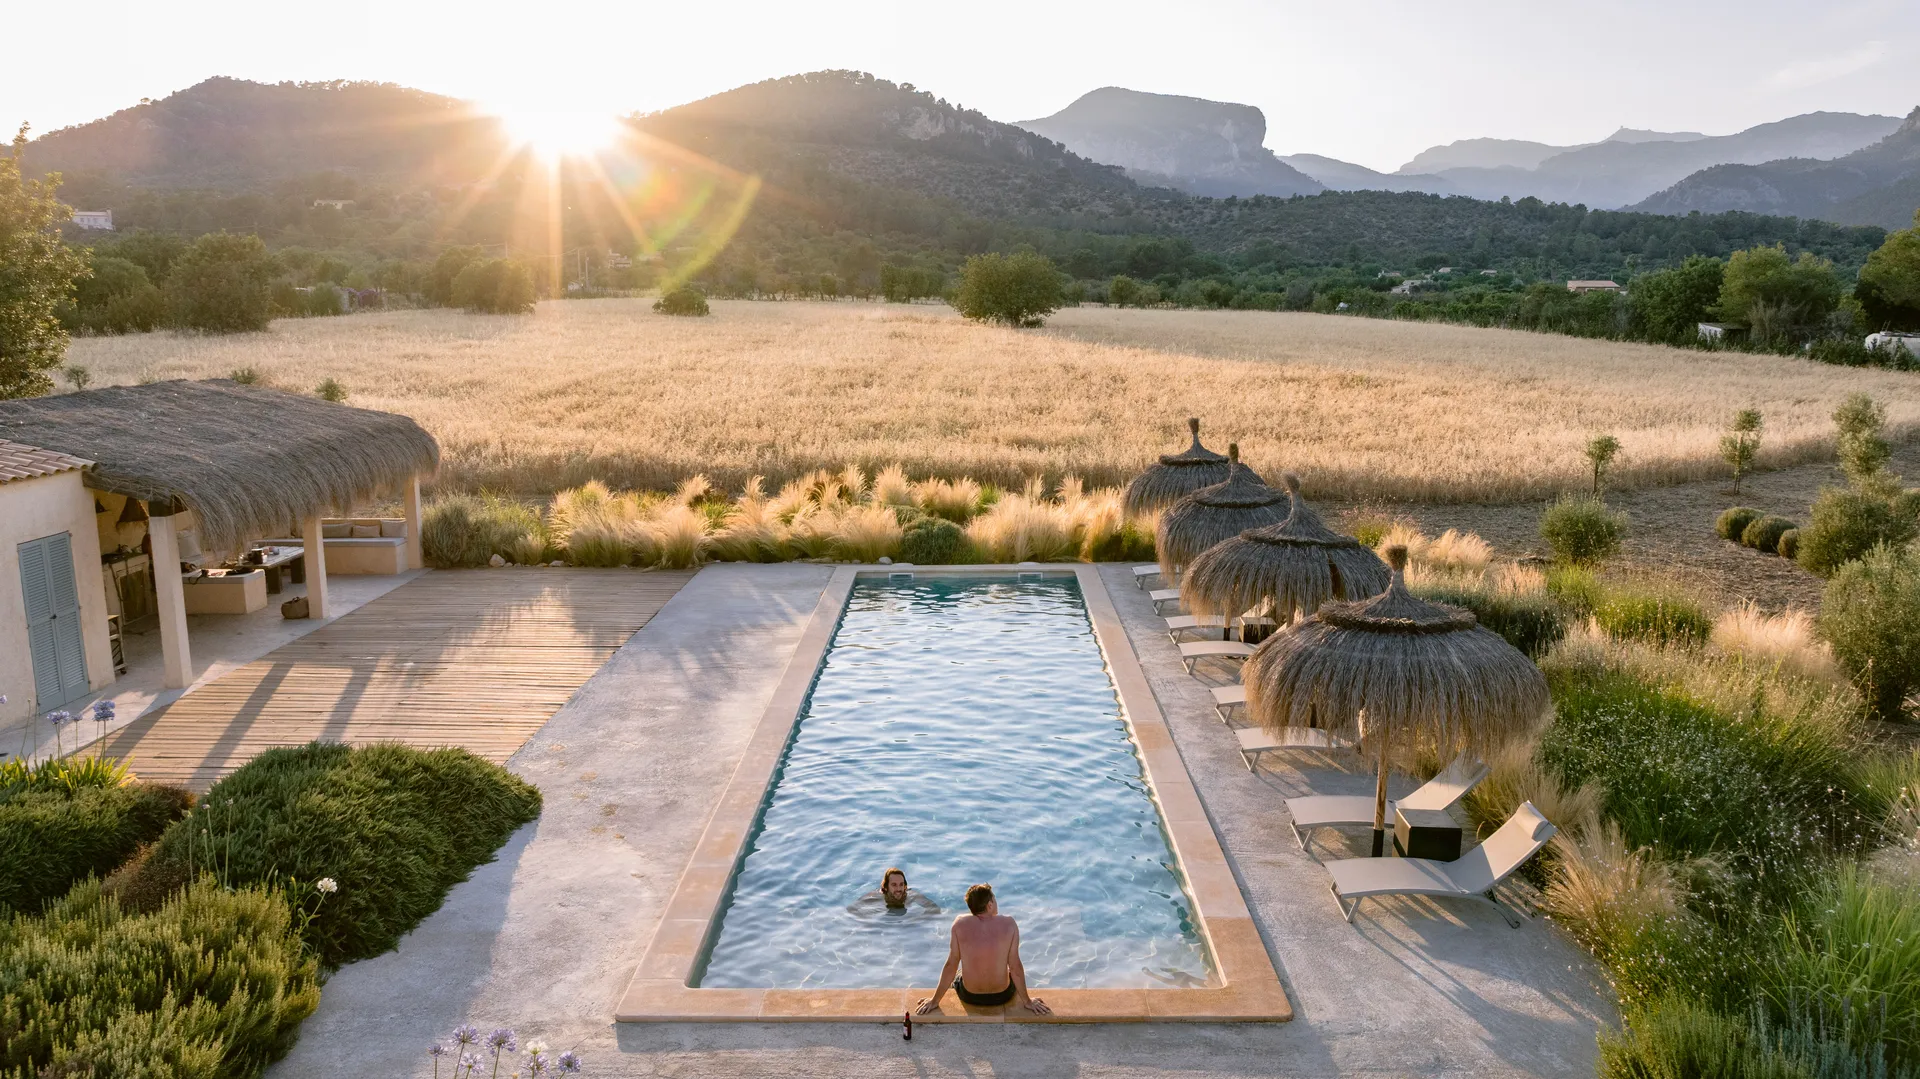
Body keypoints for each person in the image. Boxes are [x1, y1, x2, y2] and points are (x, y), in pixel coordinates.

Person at [915, 884, 1050, 1015]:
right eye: (994, 898)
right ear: (990, 905)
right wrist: (1027, 1001)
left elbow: (951, 964)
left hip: (970, 996)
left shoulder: (959, 923)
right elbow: (1015, 967)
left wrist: (934, 1001)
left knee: (961, 971)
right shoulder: (1009, 924)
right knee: (1007, 970)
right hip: (1002, 996)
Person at [847, 868, 940, 917]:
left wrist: (916, 921)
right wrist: (867, 923)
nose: (899, 889)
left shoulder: (911, 895)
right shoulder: (877, 896)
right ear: (886, 887)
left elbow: (934, 908)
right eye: (894, 885)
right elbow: (851, 909)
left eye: (901, 884)